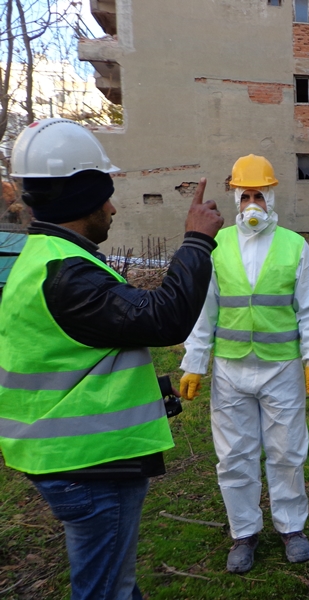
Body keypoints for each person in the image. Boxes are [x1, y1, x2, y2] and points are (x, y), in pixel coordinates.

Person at [0, 118, 223, 600]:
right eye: (105, 194)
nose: (113, 206)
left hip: (66, 455)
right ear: (82, 197)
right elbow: (164, 319)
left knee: (111, 583)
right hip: (87, 465)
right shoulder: (67, 274)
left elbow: (90, 348)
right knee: (107, 591)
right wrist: (198, 240)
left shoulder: (46, 256)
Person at [179, 154, 309, 573]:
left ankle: (292, 527)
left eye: (259, 195)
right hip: (230, 369)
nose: (252, 204)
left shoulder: (295, 246)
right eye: (245, 196)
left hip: (280, 368)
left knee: (287, 452)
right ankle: (243, 532)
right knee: (234, 456)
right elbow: (203, 310)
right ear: (236, 198)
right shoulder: (218, 245)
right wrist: (195, 363)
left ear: (271, 196)